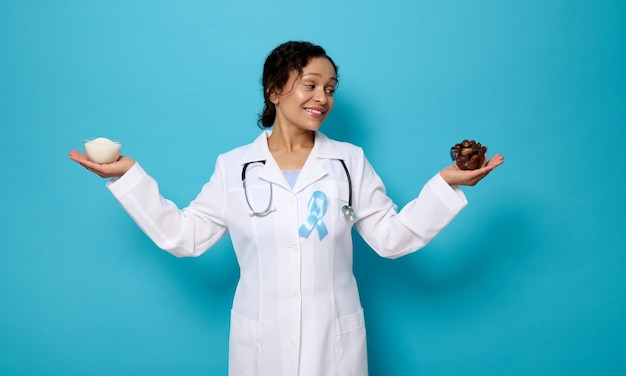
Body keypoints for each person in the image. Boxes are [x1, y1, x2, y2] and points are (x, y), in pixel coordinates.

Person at [69, 41, 504, 376]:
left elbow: (391, 239)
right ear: (274, 90)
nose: (322, 97)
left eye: (330, 88)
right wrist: (125, 177)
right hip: (262, 340)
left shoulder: (348, 162)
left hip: (332, 339)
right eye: (310, 84)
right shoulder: (234, 166)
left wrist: (445, 184)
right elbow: (186, 237)